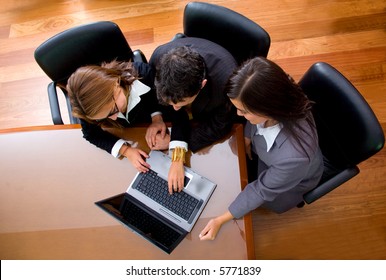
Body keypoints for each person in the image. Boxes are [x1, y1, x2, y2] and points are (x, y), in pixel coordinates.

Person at [199, 57, 324, 241]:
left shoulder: (294, 158)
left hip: (288, 183)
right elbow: (255, 119)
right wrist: (248, 135)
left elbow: (260, 190)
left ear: (268, 108)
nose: (238, 115)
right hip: (271, 157)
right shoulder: (279, 91)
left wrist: (221, 219)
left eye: (243, 111)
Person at [147, 37, 239, 194]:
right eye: (170, 103)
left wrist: (175, 146)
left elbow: (219, 126)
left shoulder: (227, 83)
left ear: (201, 85)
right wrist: (158, 117)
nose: (175, 109)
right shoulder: (157, 58)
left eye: (180, 103)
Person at [67, 60, 166, 172]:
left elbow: (157, 99)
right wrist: (125, 150)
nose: (114, 118)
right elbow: (91, 134)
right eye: (103, 117)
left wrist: (157, 118)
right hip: (133, 135)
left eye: (113, 110)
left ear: (115, 84)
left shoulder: (145, 75)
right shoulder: (87, 106)